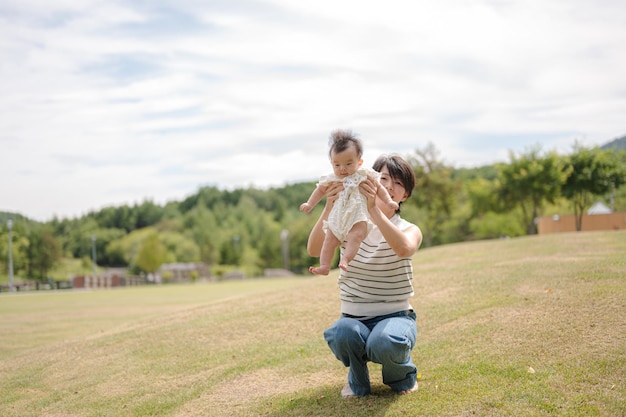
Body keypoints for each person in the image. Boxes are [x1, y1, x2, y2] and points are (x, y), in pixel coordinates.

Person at [306, 153, 422, 398]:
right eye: (384, 178)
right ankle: (357, 380)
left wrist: (374, 211)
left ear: (405, 195)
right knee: (343, 334)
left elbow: (404, 248)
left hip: (396, 315)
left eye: (399, 183)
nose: (390, 187)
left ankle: (401, 375)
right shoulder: (350, 224)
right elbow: (314, 250)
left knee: (385, 341)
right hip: (353, 316)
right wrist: (329, 206)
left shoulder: (409, 229)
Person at [300, 130, 398, 275]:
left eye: (348, 163)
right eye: (337, 165)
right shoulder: (331, 178)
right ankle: (325, 266)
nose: (342, 169)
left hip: (358, 216)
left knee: (356, 236)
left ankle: (345, 259)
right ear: (331, 163)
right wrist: (309, 204)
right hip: (337, 217)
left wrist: (389, 201)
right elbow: (320, 191)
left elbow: (379, 188)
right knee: (329, 240)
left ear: (359, 162)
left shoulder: (364, 175)